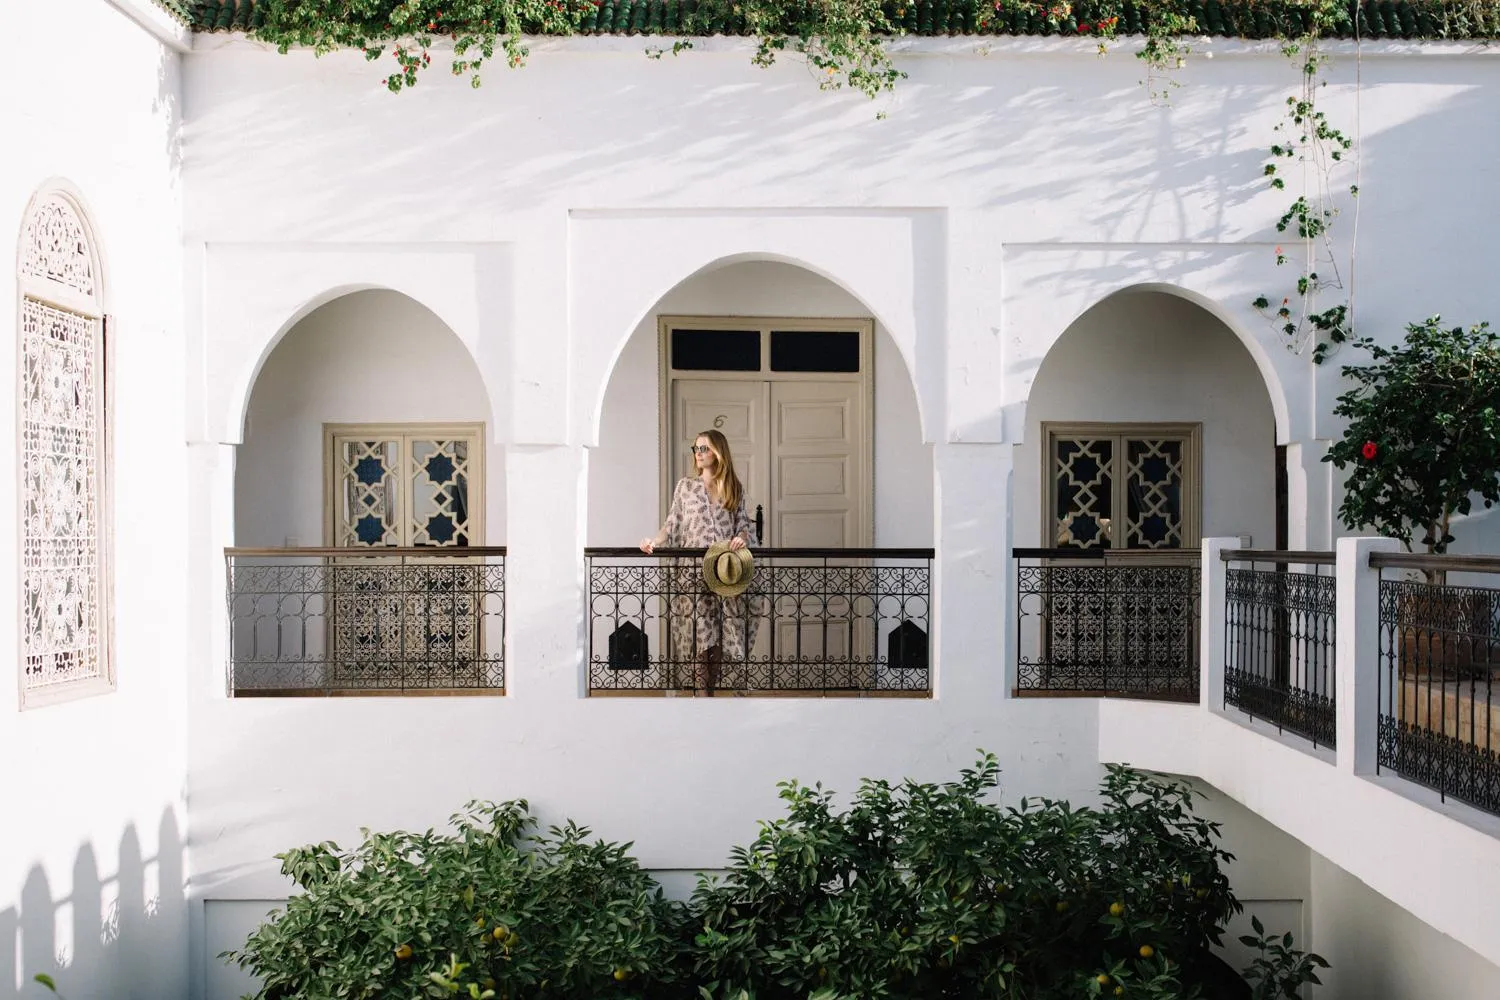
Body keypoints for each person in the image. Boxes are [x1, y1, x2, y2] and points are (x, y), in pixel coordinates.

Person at [640, 429, 758, 696]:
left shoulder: (733, 488)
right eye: (696, 448)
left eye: (704, 448)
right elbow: (671, 525)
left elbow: (743, 527)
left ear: (718, 452)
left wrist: (740, 538)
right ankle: (701, 694)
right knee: (700, 634)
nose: (699, 453)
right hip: (693, 573)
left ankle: (710, 691)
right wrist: (654, 542)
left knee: (720, 636)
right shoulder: (686, 487)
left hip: (726, 572)